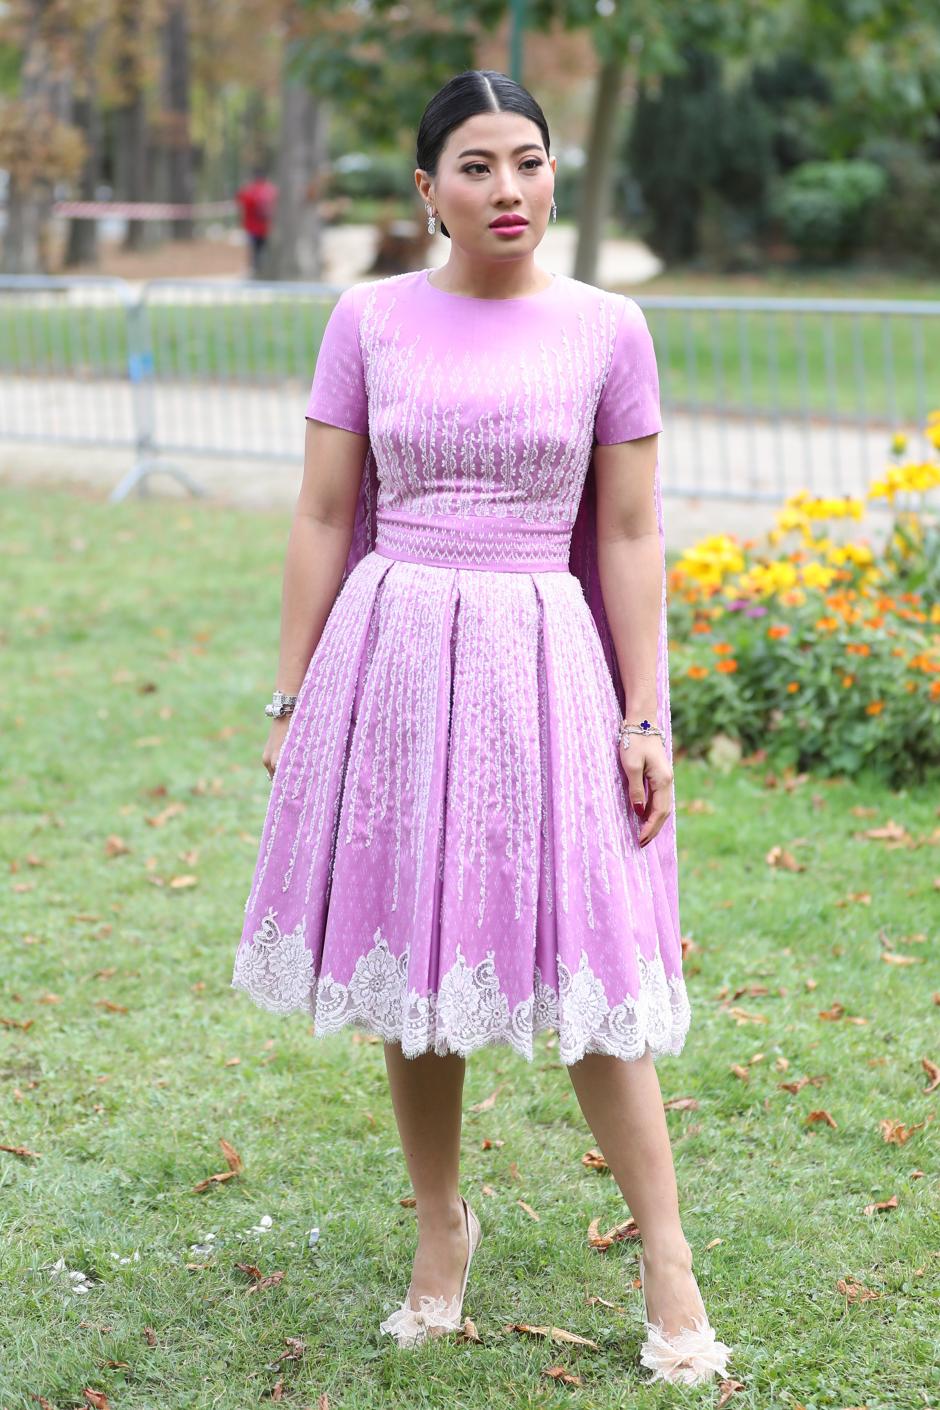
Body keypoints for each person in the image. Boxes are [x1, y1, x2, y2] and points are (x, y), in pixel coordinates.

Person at [230, 69, 734, 1385]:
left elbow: (627, 533)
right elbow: (323, 513)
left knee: (595, 966)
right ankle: (441, 1225)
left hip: (543, 660)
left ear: (553, 173)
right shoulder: (368, 318)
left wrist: (645, 715)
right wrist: (290, 699)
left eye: (529, 160)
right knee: (417, 952)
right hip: (394, 656)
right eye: (475, 165)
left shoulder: (609, 329)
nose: (508, 188)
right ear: (427, 190)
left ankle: (667, 1254)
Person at [235, 167, 276, 277]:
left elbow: (240, 203)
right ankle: (261, 269)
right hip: (266, 228)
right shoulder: (271, 191)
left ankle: (256, 270)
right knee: (264, 250)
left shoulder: (248, 191)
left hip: (252, 228)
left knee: (254, 251)